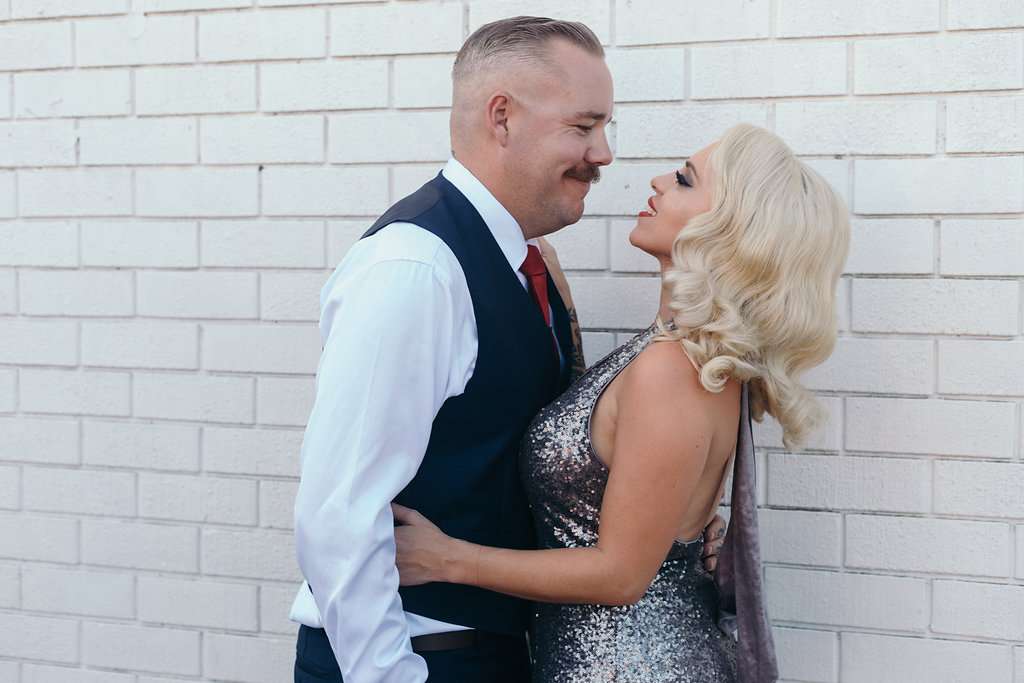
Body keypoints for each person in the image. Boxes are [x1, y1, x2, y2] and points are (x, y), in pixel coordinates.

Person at [288, 16, 726, 683]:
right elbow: (339, 510)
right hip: (416, 658)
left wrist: (678, 528)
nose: (604, 153)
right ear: (503, 118)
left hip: (490, 653)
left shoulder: (527, 265)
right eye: (583, 126)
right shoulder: (416, 268)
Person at [393, 123, 852, 683]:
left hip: (627, 666)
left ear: (730, 228)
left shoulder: (673, 369)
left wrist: (446, 558)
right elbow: (602, 451)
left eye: (685, 180)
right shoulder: (680, 355)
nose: (658, 181)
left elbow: (619, 575)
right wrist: (561, 310)